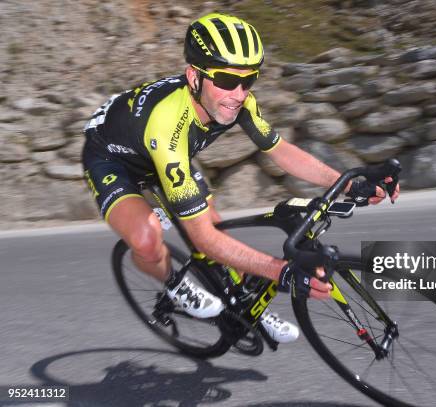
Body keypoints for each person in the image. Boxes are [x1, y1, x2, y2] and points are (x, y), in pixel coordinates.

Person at [82, 13, 399, 344]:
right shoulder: (167, 126)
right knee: (148, 240)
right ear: (195, 76)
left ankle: (246, 305)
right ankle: (176, 285)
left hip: (165, 153)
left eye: (248, 80)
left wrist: (350, 182)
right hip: (113, 158)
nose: (237, 93)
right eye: (225, 80)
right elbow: (203, 239)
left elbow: (280, 151)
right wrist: (281, 272)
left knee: (215, 226)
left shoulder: (239, 101)